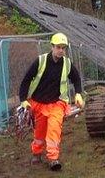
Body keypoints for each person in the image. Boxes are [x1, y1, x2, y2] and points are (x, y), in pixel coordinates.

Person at [18, 32, 85, 171]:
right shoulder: (40, 61)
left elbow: (76, 78)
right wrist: (23, 100)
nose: (61, 50)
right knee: (40, 132)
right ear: (52, 46)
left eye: (63, 48)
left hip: (57, 103)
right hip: (39, 103)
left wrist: (78, 93)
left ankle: (53, 159)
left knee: (54, 130)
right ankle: (36, 153)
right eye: (58, 47)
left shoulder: (67, 63)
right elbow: (26, 80)